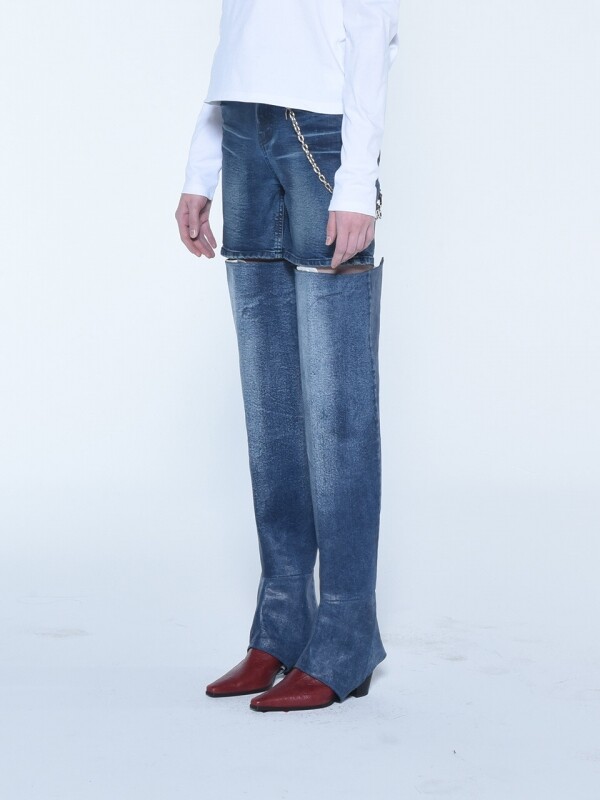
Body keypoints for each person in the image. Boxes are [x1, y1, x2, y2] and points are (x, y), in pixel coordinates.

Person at [174, 0, 400, 712]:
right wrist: (200, 169)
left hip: (319, 133)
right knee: (270, 406)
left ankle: (347, 634)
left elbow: (373, 27)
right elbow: (237, 30)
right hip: (242, 128)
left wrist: (357, 179)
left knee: (337, 407)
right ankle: (282, 623)